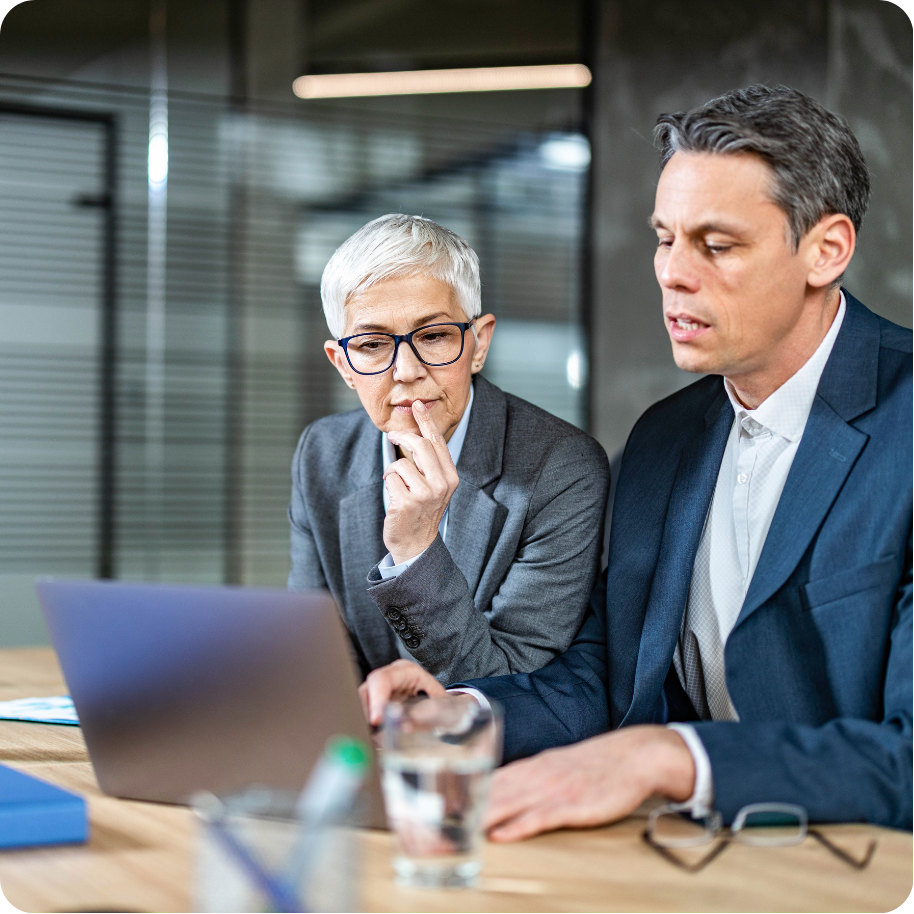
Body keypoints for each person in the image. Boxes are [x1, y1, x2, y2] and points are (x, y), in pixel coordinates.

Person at [360, 86, 913, 835]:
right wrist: (463, 714)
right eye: (664, 239)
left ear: (827, 250)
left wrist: (670, 757)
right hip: (684, 854)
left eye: (716, 245)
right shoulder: (662, 438)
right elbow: (607, 676)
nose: (673, 274)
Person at [288, 214, 609, 683]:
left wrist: (416, 552)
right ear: (343, 365)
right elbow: (313, 654)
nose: (406, 371)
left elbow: (512, 679)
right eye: (373, 344)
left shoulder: (561, 468)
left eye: (434, 336)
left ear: (479, 344)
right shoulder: (322, 453)